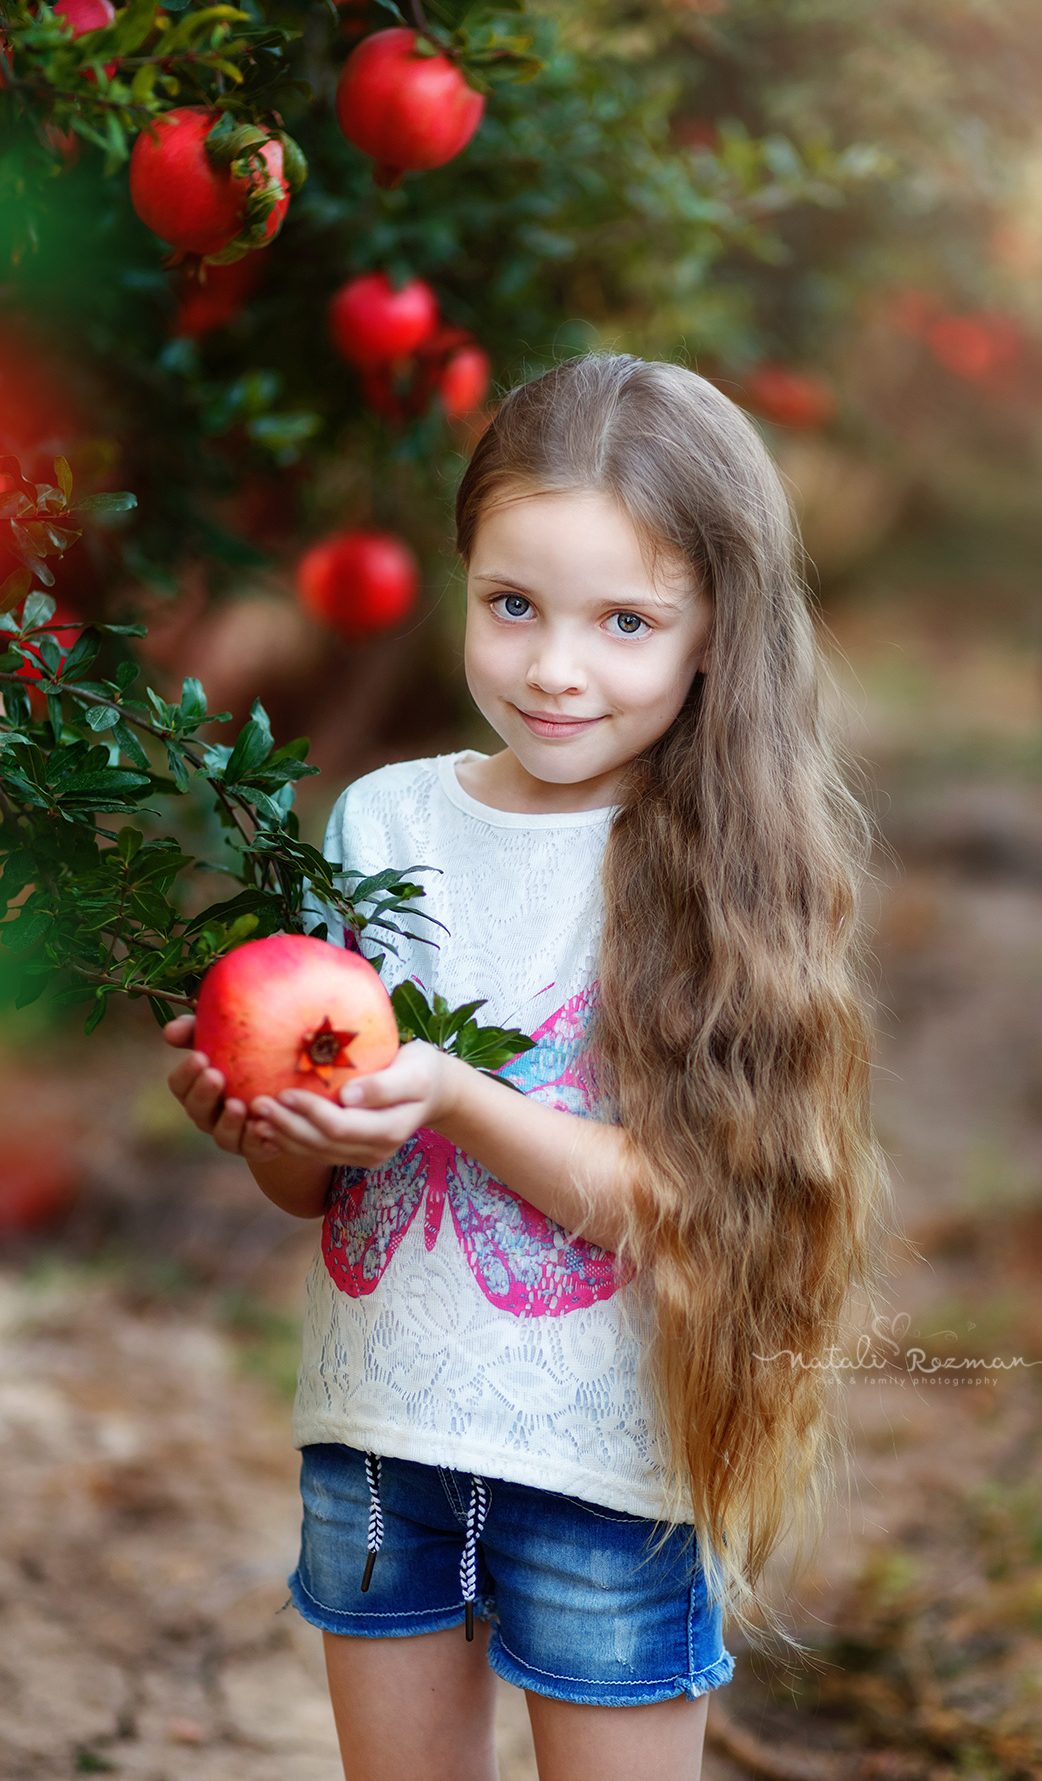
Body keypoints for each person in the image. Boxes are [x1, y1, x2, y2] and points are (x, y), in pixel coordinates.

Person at [164, 354, 885, 1781]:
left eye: (625, 620)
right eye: (514, 606)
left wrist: (452, 1093)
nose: (557, 666)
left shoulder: (717, 874)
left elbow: (690, 1201)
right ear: (464, 583)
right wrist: (268, 1122)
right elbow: (315, 1190)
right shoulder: (382, 824)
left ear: (710, 636)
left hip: (605, 1477)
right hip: (379, 1444)